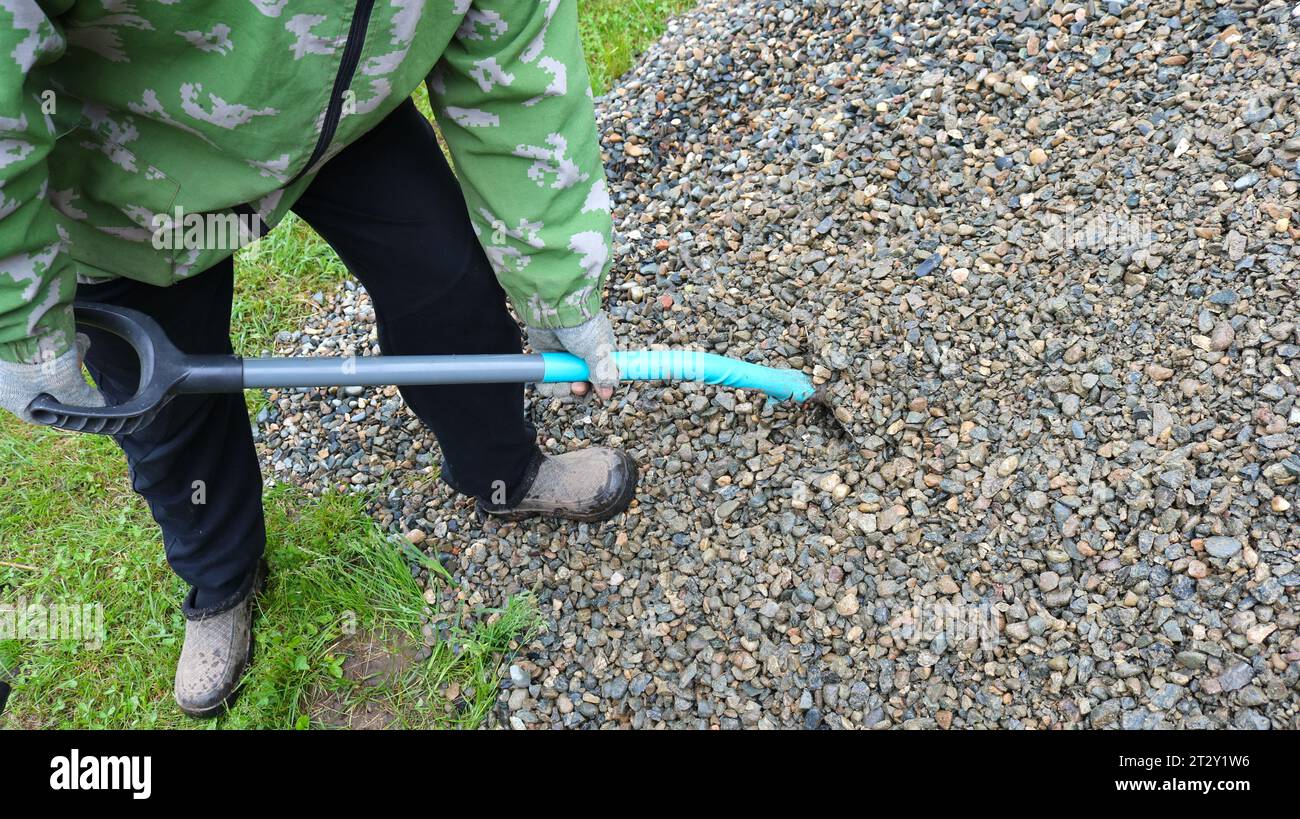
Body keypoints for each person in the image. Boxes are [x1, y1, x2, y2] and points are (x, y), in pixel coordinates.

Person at [0, 1, 637, 718]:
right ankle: (222, 578)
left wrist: (561, 287)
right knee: (168, 408)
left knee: (448, 285)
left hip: (340, 112)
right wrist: (17, 319)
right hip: (125, 155)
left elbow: (519, 67)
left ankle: (503, 470)